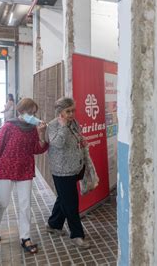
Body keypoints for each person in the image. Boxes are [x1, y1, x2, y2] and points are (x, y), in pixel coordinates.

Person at [0, 98, 48, 254]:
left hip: (24, 170)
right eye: (30, 113)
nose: (33, 116)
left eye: (34, 113)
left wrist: (41, 134)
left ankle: (25, 238)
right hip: (5, 169)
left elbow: (37, 149)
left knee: (25, 205)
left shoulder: (33, 128)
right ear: (20, 112)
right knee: (2, 203)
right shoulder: (9, 126)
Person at [45, 97, 90, 249]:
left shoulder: (73, 123)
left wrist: (82, 140)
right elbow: (56, 144)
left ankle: (53, 224)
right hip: (61, 171)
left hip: (75, 167)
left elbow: (77, 136)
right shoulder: (52, 125)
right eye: (68, 111)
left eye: (73, 110)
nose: (71, 114)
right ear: (60, 112)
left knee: (64, 198)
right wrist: (63, 127)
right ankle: (77, 235)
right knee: (71, 203)